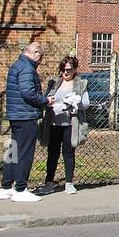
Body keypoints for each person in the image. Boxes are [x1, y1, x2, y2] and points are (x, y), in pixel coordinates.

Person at [0, 40, 53, 201]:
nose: (41, 60)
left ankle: (6, 186)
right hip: (26, 114)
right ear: (35, 54)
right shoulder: (27, 68)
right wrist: (45, 101)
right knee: (25, 152)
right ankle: (20, 189)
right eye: (41, 56)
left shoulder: (17, 65)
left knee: (13, 151)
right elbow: (28, 92)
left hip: (16, 114)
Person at [38, 56, 90, 195]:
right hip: (54, 123)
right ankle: (49, 182)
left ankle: (69, 183)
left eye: (69, 70)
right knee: (52, 153)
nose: (66, 73)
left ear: (74, 70)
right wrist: (49, 102)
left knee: (68, 153)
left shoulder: (80, 84)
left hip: (70, 124)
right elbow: (45, 98)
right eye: (63, 70)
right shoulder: (54, 83)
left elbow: (86, 104)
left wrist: (74, 103)